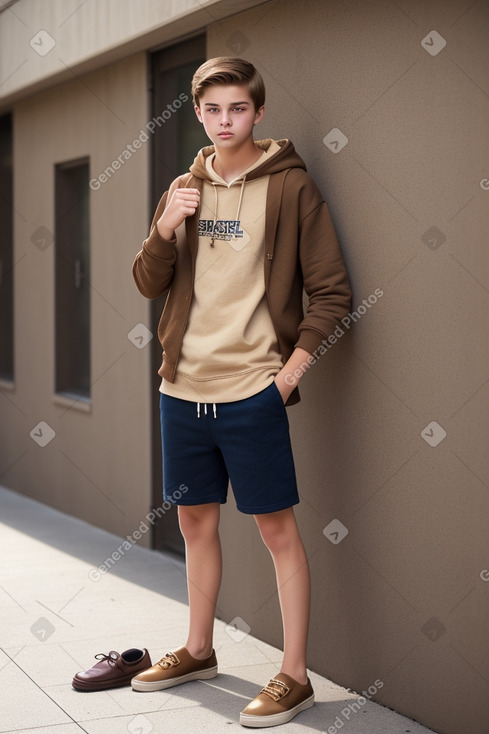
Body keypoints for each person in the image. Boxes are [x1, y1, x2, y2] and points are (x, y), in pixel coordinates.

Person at [131, 56, 351, 728]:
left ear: (257, 113)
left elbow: (332, 292)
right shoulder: (183, 187)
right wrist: (166, 226)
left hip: (250, 391)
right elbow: (147, 282)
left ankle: (293, 675)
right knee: (195, 523)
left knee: (275, 530)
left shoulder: (289, 189)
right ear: (197, 114)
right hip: (180, 390)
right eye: (212, 110)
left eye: (237, 109)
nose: (225, 122)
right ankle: (198, 649)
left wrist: (284, 377)